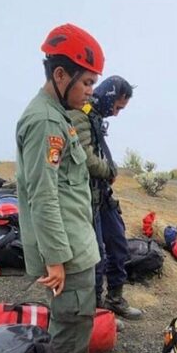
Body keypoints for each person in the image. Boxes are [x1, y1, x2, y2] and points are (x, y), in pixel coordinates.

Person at [15, 23, 114, 353]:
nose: (91, 91)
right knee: (71, 322)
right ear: (60, 75)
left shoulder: (59, 115)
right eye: (87, 82)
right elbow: (43, 194)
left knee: (77, 317)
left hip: (76, 240)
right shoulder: (46, 122)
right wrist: (55, 257)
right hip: (66, 250)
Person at [67, 75, 142, 319]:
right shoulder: (79, 114)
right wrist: (109, 170)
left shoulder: (94, 117)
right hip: (88, 196)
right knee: (96, 255)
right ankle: (97, 310)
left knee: (118, 244)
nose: (117, 113)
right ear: (110, 96)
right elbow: (87, 159)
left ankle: (115, 298)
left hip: (102, 194)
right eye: (118, 107)